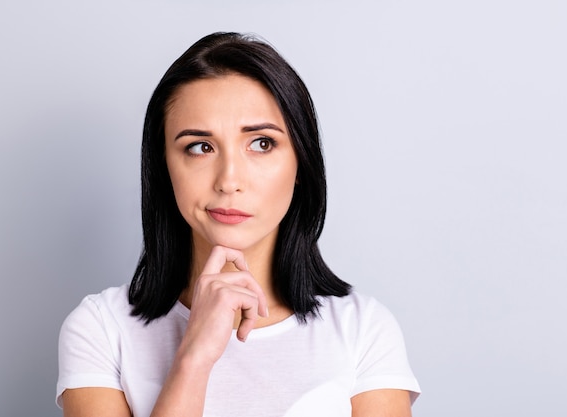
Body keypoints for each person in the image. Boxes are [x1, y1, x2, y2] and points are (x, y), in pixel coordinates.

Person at [56, 32, 421, 417]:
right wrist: (193, 358)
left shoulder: (362, 330)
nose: (229, 180)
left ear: (301, 162)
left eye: (261, 143)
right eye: (200, 147)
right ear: (164, 168)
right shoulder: (102, 328)